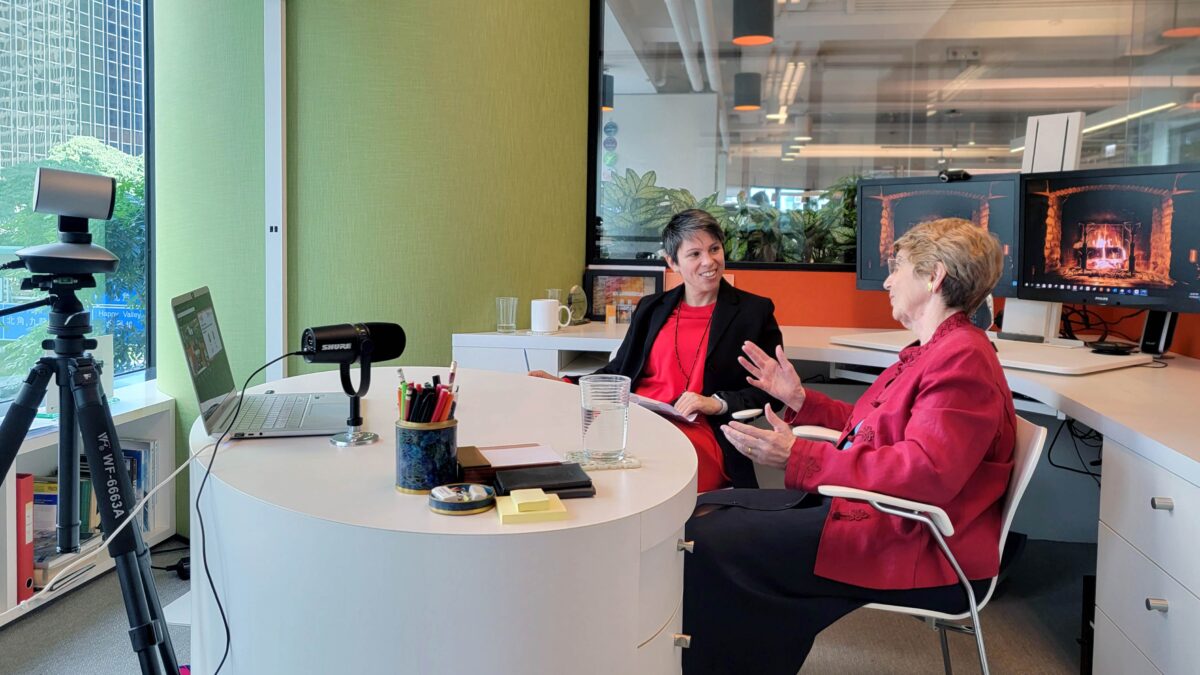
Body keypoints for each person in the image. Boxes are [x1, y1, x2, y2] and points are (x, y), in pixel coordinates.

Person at [680, 217, 1017, 674]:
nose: (888, 280)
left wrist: (796, 455)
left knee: (703, 543)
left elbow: (923, 473)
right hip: (884, 518)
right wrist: (799, 399)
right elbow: (874, 432)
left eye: (898, 266)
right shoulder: (938, 349)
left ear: (934, 276)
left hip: (918, 544)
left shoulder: (962, 360)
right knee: (708, 510)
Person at [530, 209, 783, 491]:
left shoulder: (754, 312)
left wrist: (716, 402)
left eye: (714, 249)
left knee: (643, 473)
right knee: (579, 458)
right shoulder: (651, 308)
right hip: (639, 423)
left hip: (700, 432)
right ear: (672, 262)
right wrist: (565, 385)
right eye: (695, 254)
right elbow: (618, 372)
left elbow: (773, 391)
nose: (709, 261)